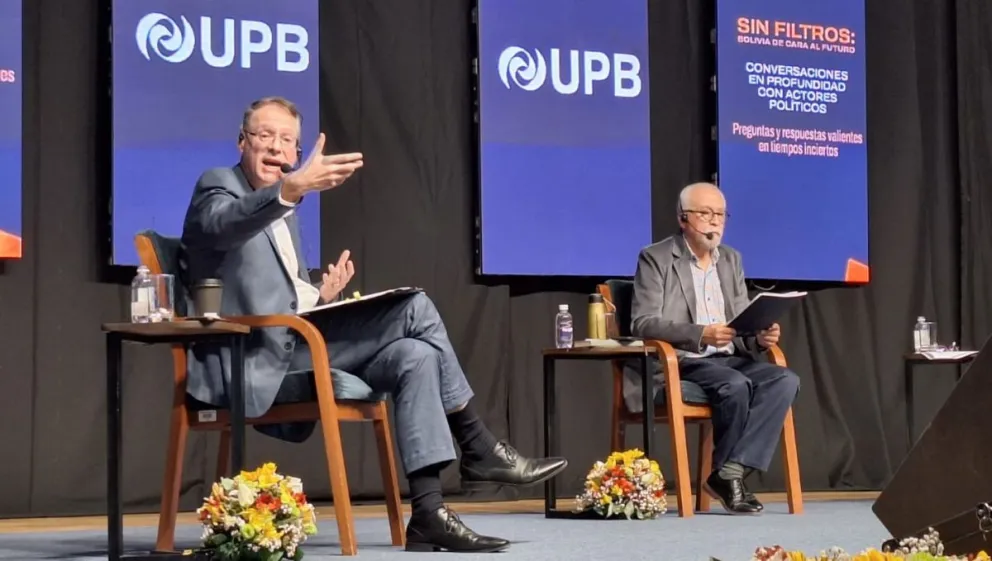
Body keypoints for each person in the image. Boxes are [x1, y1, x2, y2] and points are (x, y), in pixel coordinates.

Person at [180, 97, 567, 552]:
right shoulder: (218, 185)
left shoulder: (288, 212)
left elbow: (279, 293)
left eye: (287, 141)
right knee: (415, 307)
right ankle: (478, 446)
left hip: (293, 339)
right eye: (265, 136)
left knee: (415, 354)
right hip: (256, 354)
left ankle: (427, 513)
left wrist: (320, 296)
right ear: (242, 141)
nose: (276, 148)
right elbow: (219, 227)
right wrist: (289, 191)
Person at [627, 182, 800, 515]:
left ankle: (729, 472)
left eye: (720, 214)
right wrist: (700, 334)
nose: (714, 221)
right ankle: (729, 479)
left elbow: (738, 324)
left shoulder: (731, 260)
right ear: (683, 218)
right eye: (704, 213)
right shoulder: (656, 258)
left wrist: (758, 338)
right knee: (734, 385)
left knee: (784, 379)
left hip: (727, 359)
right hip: (682, 361)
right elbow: (643, 323)